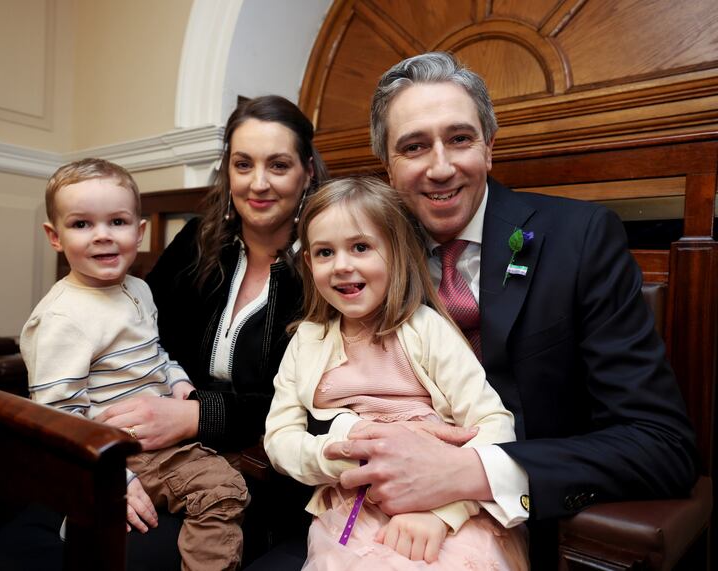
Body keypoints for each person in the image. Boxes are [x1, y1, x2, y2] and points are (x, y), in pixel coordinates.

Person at [319, 52, 699, 567]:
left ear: (489, 147)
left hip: (530, 527)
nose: (441, 166)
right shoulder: (360, 263)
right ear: (388, 169)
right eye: (414, 146)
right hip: (373, 523)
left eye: (459, 138)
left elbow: (661, 446)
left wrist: (468, 472)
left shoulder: (580, 239)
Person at [96, 95, 331, 563]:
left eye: (278, 165)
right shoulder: (198, 241)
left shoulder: (329, 263)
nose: (257, 183)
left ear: (306, 171)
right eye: (243, 164)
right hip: (160, 450)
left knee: (129, 554)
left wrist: (198, 415)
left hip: (262, 476)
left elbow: (317, 401)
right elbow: (139, 337)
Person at [264, 177, 528, 569]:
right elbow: (280, 439)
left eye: (360, 247)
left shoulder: (426, 329)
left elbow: (492, 423)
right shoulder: (307, 341)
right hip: (355, 505)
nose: (342, 266)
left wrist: (443, 512)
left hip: (443, 501)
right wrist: (338, 456)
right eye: (324, 252)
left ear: (397, 253)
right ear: (309, 263)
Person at [21, 157, 249, 570]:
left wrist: (179, 383)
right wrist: (112, 479)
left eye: (118, 222)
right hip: (117, 451)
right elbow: (57, 417)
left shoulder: (139, 290)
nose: (102, 237)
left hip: (160, 433)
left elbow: (156, 354)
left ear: (139, 231)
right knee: (222, 492)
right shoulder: (62, 319)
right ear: (55, 237)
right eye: (82, 225)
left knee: (238, 473)